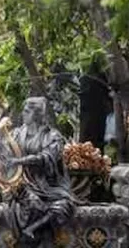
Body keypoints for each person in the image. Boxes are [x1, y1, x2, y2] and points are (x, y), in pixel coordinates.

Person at [5, 97, 78, 242]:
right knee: (32, 203)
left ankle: (33, 229)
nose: (23, 114)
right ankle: (30, 235)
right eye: (24, 111)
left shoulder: (53, 136)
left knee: (63, 206)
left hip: (49, 185)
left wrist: (20, 161)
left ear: (37, 114)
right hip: (23, 183)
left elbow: (46, 157)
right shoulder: (16, 134)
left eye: (27, 112)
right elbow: (5, 155)